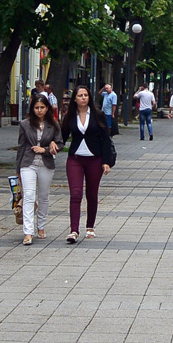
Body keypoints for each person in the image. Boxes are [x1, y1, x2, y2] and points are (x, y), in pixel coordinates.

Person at [61, 86, 115, 243]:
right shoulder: (70, 116)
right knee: (76, 193)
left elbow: (106, 139)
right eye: (80, 95)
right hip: (75, 159)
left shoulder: (98, 115)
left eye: (85, 95)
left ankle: (90, 226)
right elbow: (62, 137)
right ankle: (73, 230)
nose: (83, 98)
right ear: (75, 99)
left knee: (91, 194)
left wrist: (106, 162)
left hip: (94, 159)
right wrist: (52, 146)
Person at [16, 94, 61, 246]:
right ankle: (28, 232)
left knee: (43, 196)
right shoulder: (25, 124)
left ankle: (41, 226)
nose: (39, 110)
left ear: (47, 108)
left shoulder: (53, 124)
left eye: (42, 107)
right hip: (28, 163)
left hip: (46, 163)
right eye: (36, 108)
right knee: (28, 195)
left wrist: (47, 149)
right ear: (32, 108)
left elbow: (60, 144)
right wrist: (17, 169)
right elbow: (21, 146)